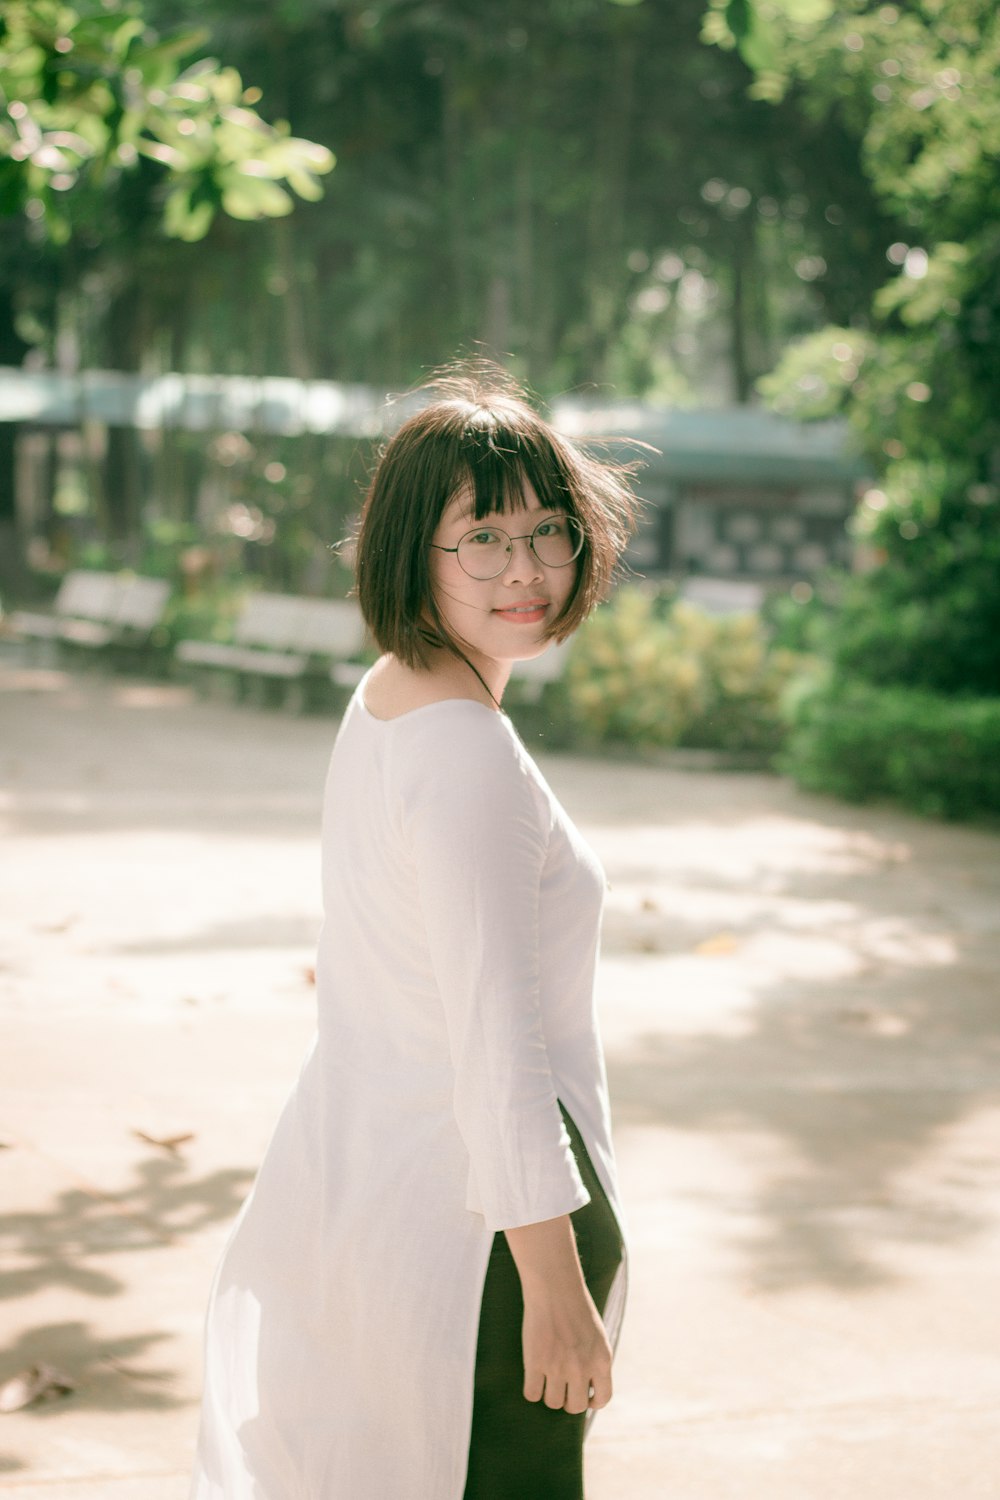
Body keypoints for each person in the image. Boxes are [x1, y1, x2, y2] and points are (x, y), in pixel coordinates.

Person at [189, 364, 638, 1500]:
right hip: (489, 1234)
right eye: (481, 537)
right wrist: (552, 1287)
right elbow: (494, 1041)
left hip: (413, 1200)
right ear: (411, 551)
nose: (526, 569)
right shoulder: (461, 747)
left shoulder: (396, 691)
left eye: (548, 531)